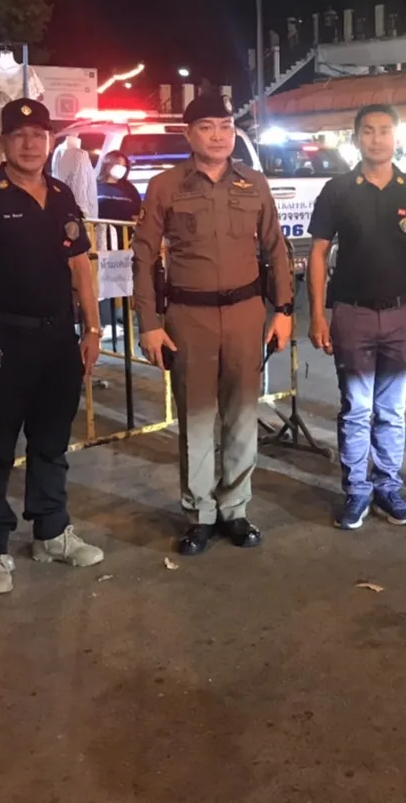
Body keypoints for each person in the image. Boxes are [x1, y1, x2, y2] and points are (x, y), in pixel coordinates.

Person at [0, 98, 104, 596]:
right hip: (1, 337)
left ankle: (52, 531)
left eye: (39, 135)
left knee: (52, 441)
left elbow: (80, 265)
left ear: (51, 141)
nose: (30, 143)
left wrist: (93, 329)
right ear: (2, 143)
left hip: (58, 337)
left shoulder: (61, 194)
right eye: (19, 135)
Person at [131, 92, 293, 555]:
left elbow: (275, 248)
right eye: (207, 127)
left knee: (242, 414)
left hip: (245, 314)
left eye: (226, 126)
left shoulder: (254, 183)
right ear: (189, 135)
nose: (218, 136)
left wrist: (283, 311)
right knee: (197, 418)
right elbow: (143, 256)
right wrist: (149, 323)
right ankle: (199, 514)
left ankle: (235, 509)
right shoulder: (165, 186)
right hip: (189, 318)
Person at [307, 104, 406, 530]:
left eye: (385, 130)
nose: (377, 138)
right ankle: (357, 491)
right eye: (368, 131)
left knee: (391, 410)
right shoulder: (338, 191)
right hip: (352, 314)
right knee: (356, 409)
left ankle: (388, 488)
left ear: (397, 138)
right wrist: (317, 315)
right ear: (355, 139)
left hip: (403, 314)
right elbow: (318, 253)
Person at [96, 149, 142, 223]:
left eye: (124, 165)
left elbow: (138, 211)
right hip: (100, 228)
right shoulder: (96, 186)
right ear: (107, 164)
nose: (121, 168)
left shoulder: (129, 188)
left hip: (125, 229)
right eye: (118, 164)